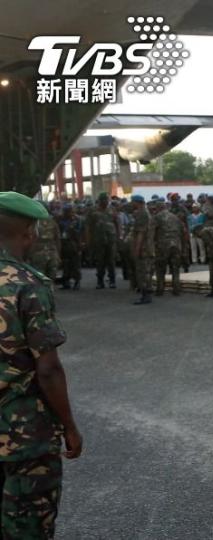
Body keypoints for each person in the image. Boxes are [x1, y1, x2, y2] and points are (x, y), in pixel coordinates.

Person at [0, 192, 83, 538]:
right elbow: (47, 368)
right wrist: (69, 426)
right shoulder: (28, 285)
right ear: (29, 234)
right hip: (24, 436)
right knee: (28, 527)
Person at [153, 202, 189, 297]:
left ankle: (160, 289)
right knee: (175, 268)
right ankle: (176, 289)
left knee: (160, 268)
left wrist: (152, 244)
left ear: (158, 208)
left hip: (163, 245)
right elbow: (184, 232)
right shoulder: (176, 217)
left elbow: (152, 232)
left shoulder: (157, 217)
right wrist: (184, 247)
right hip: (176, 245)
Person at [85, 193, 119, 289]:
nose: (105, 202)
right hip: (98, 240)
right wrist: (88, 239)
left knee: (111, 261)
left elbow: (117, 222)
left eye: (106, 200)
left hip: (111, 240)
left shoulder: (112, 210)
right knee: (100, 261)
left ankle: (112, 280)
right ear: (99, 201)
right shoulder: (92, 211)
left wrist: (119, 236)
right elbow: (88, 226)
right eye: (103, 200)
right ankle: (100, 281)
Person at [130, 195, 155, 305]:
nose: (132, 204)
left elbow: (141, 233)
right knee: (146, 270)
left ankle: (146, 295)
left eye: (133, 202)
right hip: (147, 246)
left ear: (137, 202)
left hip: (143, 247)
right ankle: (147, 293)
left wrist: (137, 248)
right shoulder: (145, 213)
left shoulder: (142, 214)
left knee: (143, 271)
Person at [27, 212, 61, 284]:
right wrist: (58, 254)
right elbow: (57, 239)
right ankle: (49, 292)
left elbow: (29, 238)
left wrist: (28, 254)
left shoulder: (34, 222)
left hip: (38, 253)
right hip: (52, 252)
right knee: (51, 276)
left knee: (38, 276)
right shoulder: (53, 222)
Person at [58, 204, 83, 290]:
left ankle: (77, 281)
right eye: (65, 211)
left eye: (69, 211)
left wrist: (80, 245)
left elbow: (80, 233)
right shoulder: (60, 220)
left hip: (73, 244)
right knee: (66, 264)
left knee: (75, 264)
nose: (67, 213)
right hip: (64, 244)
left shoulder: (77, 220)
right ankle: (66, 282)